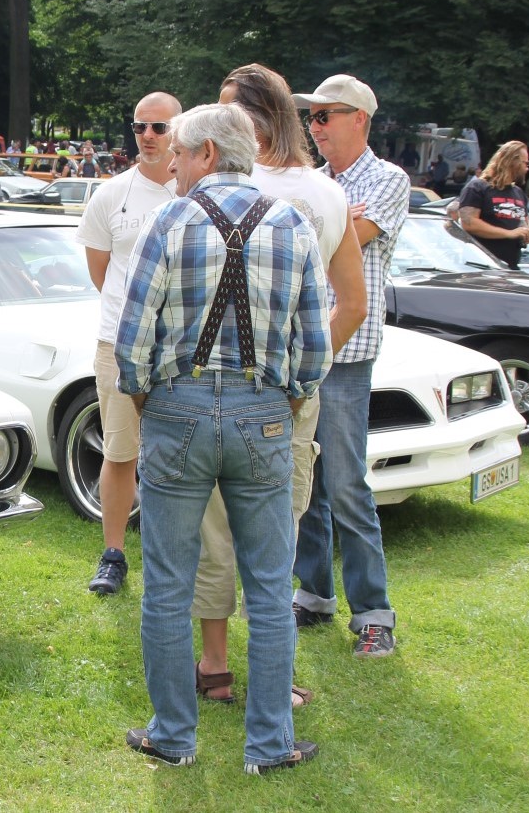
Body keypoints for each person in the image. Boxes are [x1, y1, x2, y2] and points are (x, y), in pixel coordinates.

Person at [115, 101, 330, 773]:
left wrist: (155, 401)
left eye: (178, 151)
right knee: (269, 586)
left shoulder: (169, 221)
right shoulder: (291, 223)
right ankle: (269, 745)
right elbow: (315, 346)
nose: (170, 162)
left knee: (168, 585)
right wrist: (283, 401)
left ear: (208, 154)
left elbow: (131, 341)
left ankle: (173, 736)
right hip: (263, 412)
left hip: (177, 409)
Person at [192, 63, 367, 709]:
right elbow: (350, 303)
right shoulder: (324, 194)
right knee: (275, 536)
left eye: (226, 111)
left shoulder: (216, 184)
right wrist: (304, 377)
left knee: (216, 527)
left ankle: (214, 666)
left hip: (215, 383)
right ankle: (270, 674)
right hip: (290, 391)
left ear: (255, 120)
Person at [293, 72, 408, 658]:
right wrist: (332, 217)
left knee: (345, 484)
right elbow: (301, 239)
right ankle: (313, 595)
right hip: (304, 347)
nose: (314, 128)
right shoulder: (315, 183)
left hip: (348, 354)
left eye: (325, 116)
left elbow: (338, 242)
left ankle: (373, 614)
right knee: (305, 483)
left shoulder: (388, 180)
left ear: (359, 119)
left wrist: (327, 222)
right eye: (310, 117)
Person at [77, 92, 181, 593]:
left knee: (179, 456)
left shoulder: (192, 194)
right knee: (120, 452)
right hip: (119, 344)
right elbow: (103, 273)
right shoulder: (109, 195)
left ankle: (172, 555)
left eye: (159, 128)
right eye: (140, 126)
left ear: (178, 132)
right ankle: (113, 555)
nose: (147, 136)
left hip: (181, 350)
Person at [457, 141, 529, 269]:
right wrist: (509, 233)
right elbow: (469, 223)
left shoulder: (518, 192)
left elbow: (523, 224)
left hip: (510, 269)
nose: (527, 168)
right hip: (481, 269)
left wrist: (526, 234)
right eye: (526, 163)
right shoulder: (477, 187)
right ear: (513, 161)